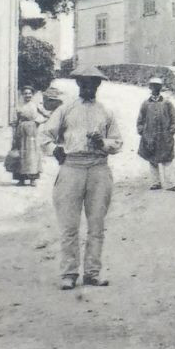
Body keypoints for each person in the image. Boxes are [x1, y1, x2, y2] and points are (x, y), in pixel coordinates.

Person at [41, 65, 124, 290]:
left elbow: (117, 142)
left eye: (94, 83)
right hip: (72, 168)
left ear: (98, 85)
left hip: (98, 168)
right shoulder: (65, 110)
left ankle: (92, 273)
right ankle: (69, 273)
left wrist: (102, 143)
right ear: (78, 84)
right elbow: (44, 135)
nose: (89, 87)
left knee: (96, 225)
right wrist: (53, 149)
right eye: (85, 83)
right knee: (69, 225)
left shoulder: (106, 112)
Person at [136, 76, 175, 192]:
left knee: (167, 159)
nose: (155, 89)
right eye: (153, 86)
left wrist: (171, 130)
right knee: (152, 159)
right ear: (150, 88)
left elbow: (174, 118)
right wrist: (142, 131)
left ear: (161, 88)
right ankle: (155, 182)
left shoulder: (167, 103)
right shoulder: (145, 104)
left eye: (158, 86)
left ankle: (170, 184)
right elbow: (140, 120)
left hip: (164, 136)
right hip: (150, 136)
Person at [9, 86, 46, 186]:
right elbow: (14, 121)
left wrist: (37, 122)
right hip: (21, 132)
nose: (27, 95)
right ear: (22, 95)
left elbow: (46, 115)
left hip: (32, 132)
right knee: (21, 154)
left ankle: (32, 179)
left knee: (32, 155)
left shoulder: (35, 105)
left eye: (29, 93)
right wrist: (14, 135)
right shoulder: (19, 106)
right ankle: (21, 179)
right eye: (25, 93)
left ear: (32, 95)